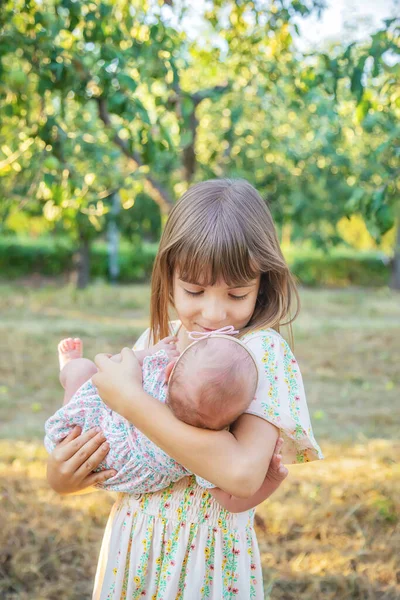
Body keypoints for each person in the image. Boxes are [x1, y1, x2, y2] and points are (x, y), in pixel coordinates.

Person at [46, 179, 323, 599]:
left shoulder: (259, 354)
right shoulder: (156, 342)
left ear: (263, 284)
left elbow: (240, 474)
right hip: (133, 548)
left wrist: (133, 401)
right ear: (168, 277)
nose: (213, 313)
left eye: (236, 293)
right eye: (194, 291)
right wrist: (63, 476)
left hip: (206, 566)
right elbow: (109, 446)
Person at [45, 330, 287, 507]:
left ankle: (70, 366)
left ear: (169, 369)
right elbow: (232, 501)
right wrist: (272, 481)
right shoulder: (205, 446)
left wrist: (151, 353)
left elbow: (113, 366)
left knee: (81, 370)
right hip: (114, 470)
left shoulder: (154, 376)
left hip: (82, 439)